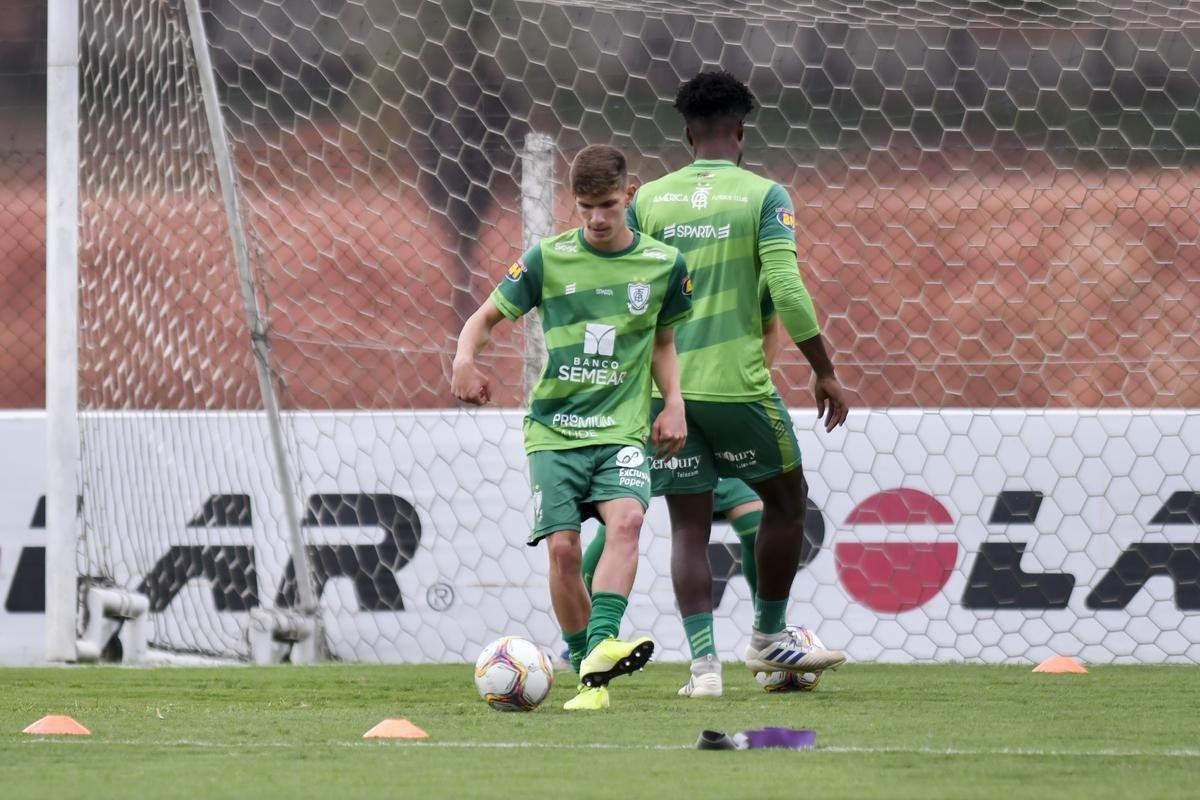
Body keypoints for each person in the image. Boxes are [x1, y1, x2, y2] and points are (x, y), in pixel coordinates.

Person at [629, 70, 851, 697]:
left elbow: (634, 295)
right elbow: (786, 288)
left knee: (688, 527)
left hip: (665, 394)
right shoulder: (765, 195)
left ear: (687, 134)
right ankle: (768, 635)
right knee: (787, 500)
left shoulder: (650, 201)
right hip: (737, 389)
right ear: (741, 132)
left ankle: (703, 670)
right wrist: (824, 369)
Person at [452, 144, 693, 711]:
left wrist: (674, 401)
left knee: (628, 519)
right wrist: (464, 359)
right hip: (555, 431)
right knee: (563, 551)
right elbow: (484, 318)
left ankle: (601, 650)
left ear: (629, 196)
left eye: (608, 205)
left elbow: (663, 342)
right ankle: (588, 666)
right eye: (585, 207)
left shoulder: (664, 264)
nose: (597, 219)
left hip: (621, 430)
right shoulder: (546, 258)